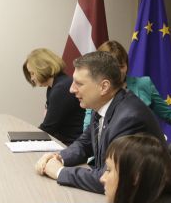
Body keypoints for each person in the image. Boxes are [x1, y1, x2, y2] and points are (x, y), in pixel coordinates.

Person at [35, 51, 164, 193]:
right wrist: (59, 157)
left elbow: (110, 179)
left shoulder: (129, 118)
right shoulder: (104, 105)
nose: (71, 89)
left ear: (104, 87)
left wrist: (59, 172)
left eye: (79, 83)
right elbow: (84, 144)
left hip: (141, 202)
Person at [82, 40, 171, 130]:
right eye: (114, 67)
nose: (119, 72)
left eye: (122, 66)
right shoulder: (95, 90)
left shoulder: (144, 84)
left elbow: (170, 116)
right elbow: (88, 130)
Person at [22, 48, 85, 145]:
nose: (32, 78)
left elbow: (48, 128)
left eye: (32, 73)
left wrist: (23, 139)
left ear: (43, 67)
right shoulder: (54, 86)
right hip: (63, 142)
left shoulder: (61, 88)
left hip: (70, 145)